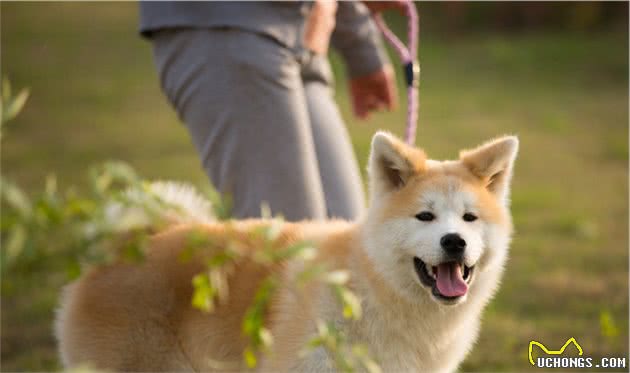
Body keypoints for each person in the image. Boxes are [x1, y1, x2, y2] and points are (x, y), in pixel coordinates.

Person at [139, 1, 402, 221]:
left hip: (303, 30)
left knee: (349, 245)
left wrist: (361, 47)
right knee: (285, 252)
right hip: (226, 24)